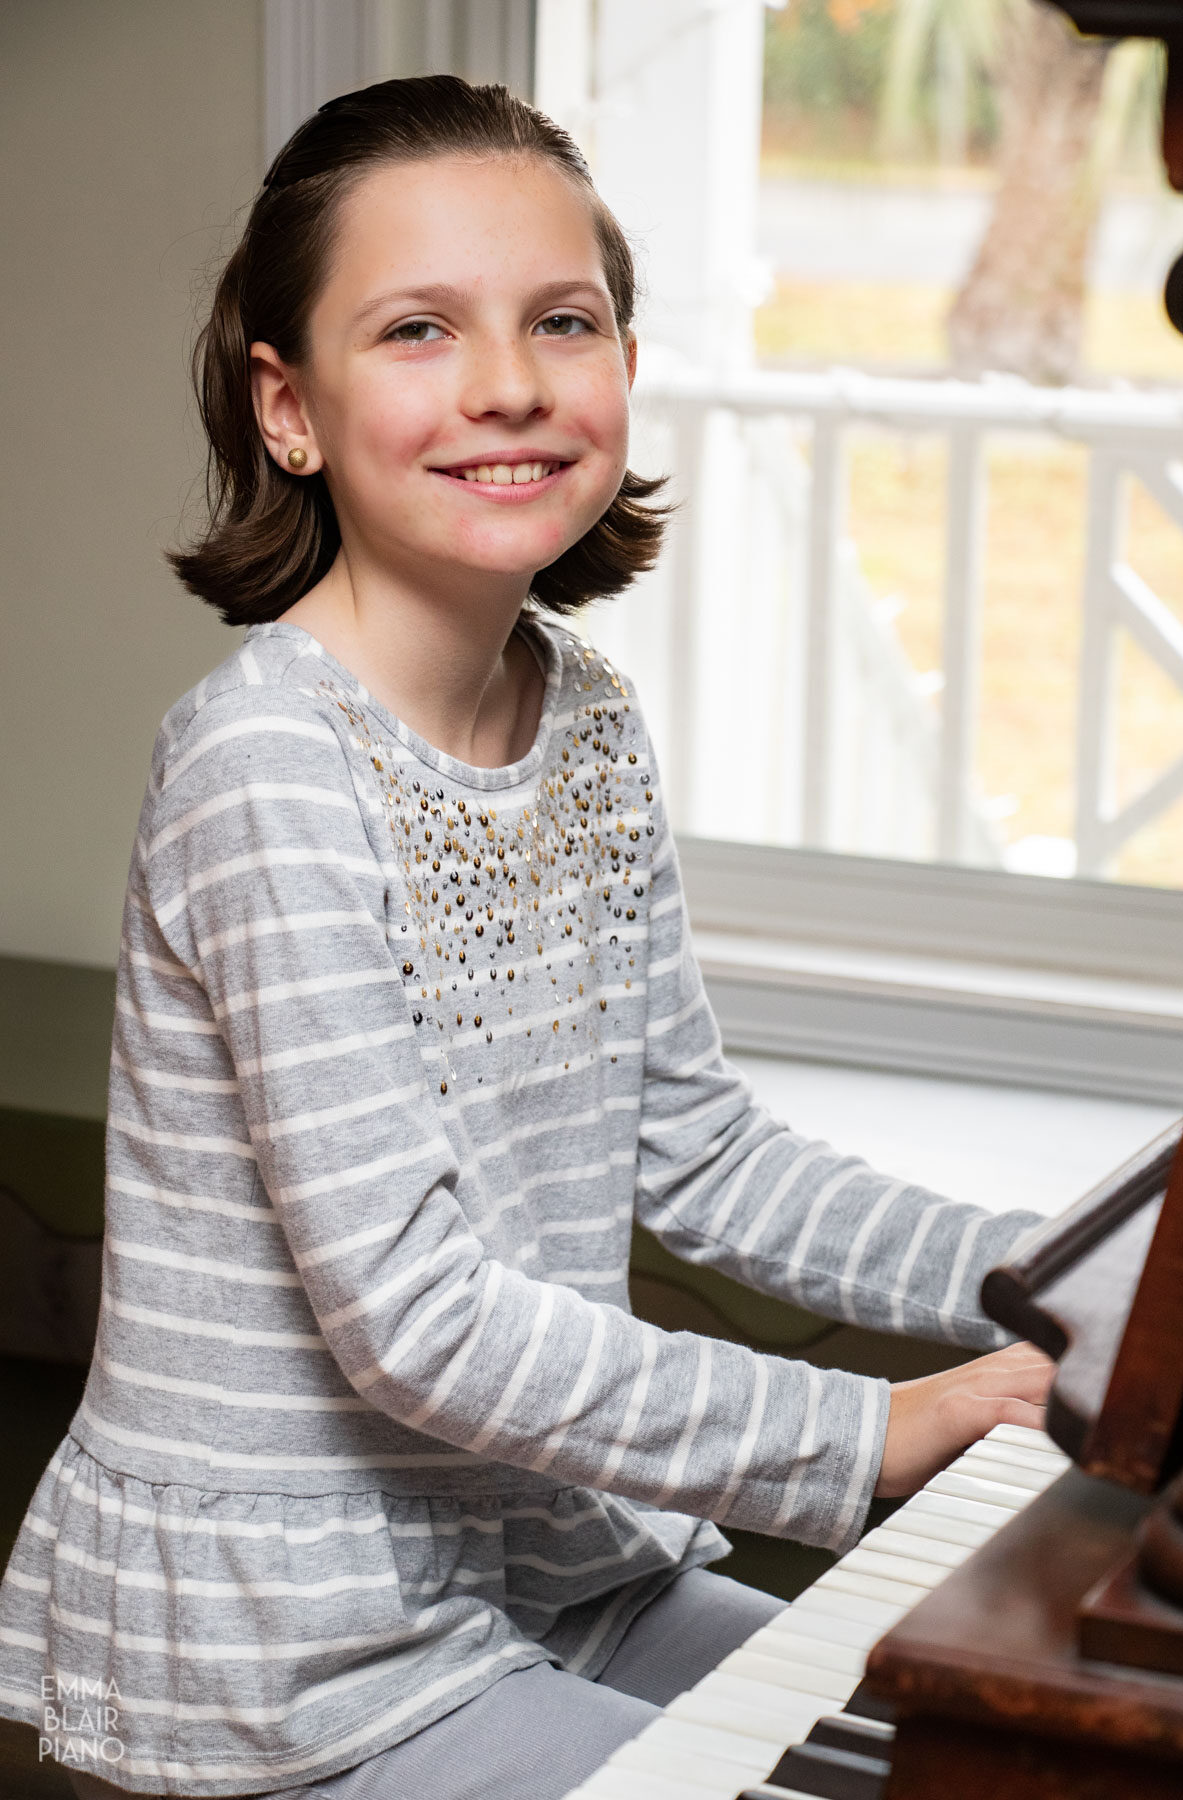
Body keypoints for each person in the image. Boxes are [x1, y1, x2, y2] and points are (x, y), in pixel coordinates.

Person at [0, 76, 1052, 1800]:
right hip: (320, 1645)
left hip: (566, 1564)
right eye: (418, 328)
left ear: (625, 364)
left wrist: (1065, 1280)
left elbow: (701, 1153)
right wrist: (877, 1431)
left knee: (938, 1754)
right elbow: (414, 1320)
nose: (507, 381)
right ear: (291, 409)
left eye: (561, 320)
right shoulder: (265, 762)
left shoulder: (589, 720)